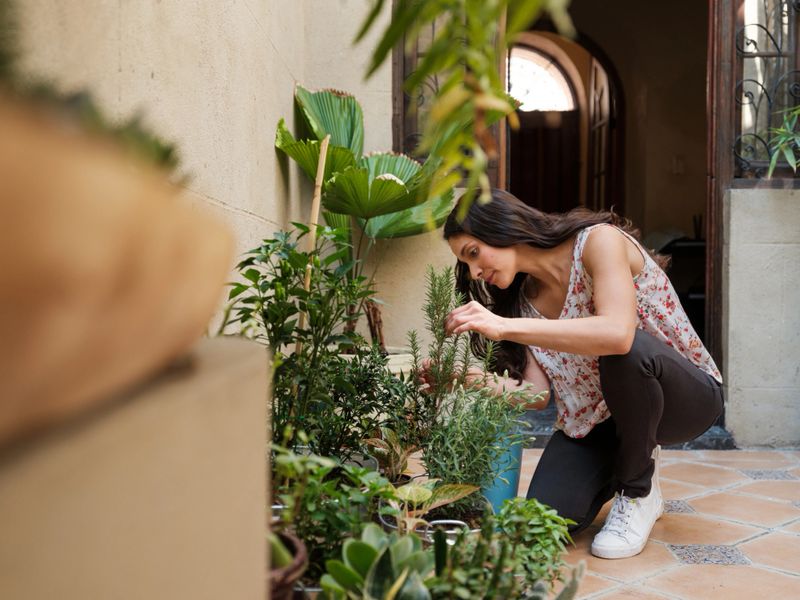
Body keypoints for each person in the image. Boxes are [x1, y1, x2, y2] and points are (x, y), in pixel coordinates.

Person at [440, 189, 723, 560]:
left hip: (684, 399)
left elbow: (619, 335)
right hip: (600, 420)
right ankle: (635, 467)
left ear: (502, 227)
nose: (474, 272)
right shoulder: (520, 303)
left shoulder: (597, 242)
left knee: (625, 350)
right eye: (467, 263)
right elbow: (536, 394)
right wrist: (463, 377)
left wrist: (505, 326)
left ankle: (636, 491)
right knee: (540, 519)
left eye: (474, 253)